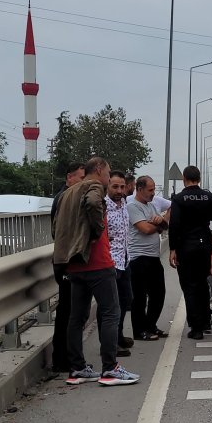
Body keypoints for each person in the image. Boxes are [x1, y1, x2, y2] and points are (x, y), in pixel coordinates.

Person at [52, 156, 139, 387]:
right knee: (111, 312)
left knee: (76, 317)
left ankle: (77, 368)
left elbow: (56, 225)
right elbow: (92, 204)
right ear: (99, 171)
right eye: (108, 174)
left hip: (75, 262)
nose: (109, 178)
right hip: (98, 262)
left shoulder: (68, 192)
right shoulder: (94, 187)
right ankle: (110, 368)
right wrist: (98, 229)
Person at [167, 165, 212, 340]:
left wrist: (172, 248)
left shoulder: (179, 199)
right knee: (203, 283)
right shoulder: (208, 196)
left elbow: (174, 224)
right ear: (199, 178)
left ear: (184, 179)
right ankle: (205, 321)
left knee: (189, 286)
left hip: (186, 247)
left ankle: (196, 328)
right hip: (205, 245)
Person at [50, 162, 84, 376]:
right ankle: (62, 359)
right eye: (81, 179)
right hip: (66, 262)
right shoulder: (64, 199)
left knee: (71, 311)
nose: (83, 184)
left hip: (66, 260)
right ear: (69, 178)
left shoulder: (67, 196)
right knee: (67, 312)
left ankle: (66, 358)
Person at [127, 176, 169, 341]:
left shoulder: (151, 206)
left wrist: (160, 221)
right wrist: (158, 224)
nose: (153, 193)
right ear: (140, 189)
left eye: (153, 190)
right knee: (139, 297)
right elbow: (144, 228)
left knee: (158, 293)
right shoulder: (132, 207)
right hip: (138, 257)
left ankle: (151, 325)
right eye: (150, 190)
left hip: (153, 256)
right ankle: (139, 330)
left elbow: (165, 226)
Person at [106, 170, 134, 357]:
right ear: (108, 186)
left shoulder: (123, 203)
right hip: (110, 262)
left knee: (125, 300)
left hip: (125, 258)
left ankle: (119, 335)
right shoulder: (103, 206)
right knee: (110, 306)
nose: (119, 190)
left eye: (122, 187)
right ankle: (109, 344)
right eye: (115, 186)